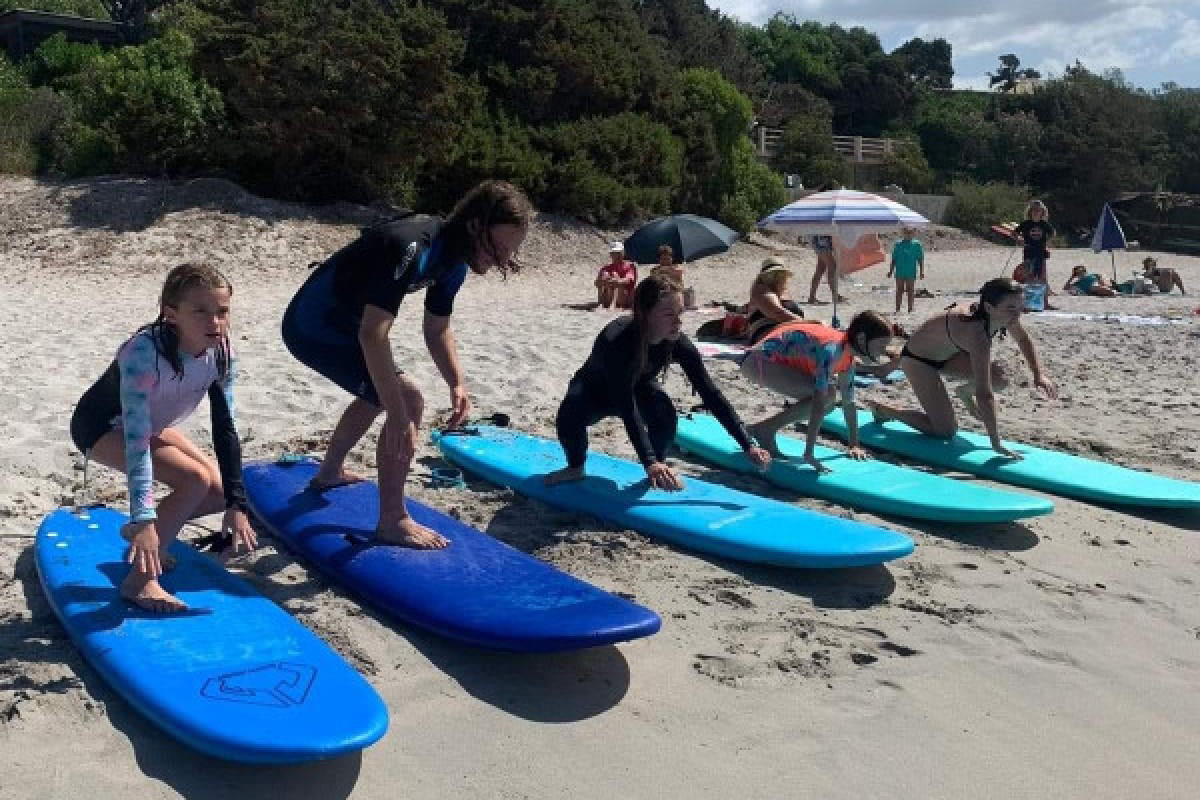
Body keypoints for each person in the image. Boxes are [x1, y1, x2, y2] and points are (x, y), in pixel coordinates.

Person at [282, 180, 531, 548]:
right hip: (313, 325)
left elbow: (437, 327)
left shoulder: (453, 264)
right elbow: (373, 335)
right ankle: (392, 520)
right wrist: (399, 415)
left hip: (346, 325)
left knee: (379, 391)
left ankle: (329, 472)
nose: (500, 261)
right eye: (499, 249)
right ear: (476, 225)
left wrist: (456, 382)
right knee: (407, 398)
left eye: (508, 254)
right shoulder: (411, 245)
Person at [70, 263, 256, 613]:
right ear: (171, 313)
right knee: (194, 480)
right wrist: (143, 516)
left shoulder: (222, 353)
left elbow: (225, 427)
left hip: (150, 425)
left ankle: (148, 538)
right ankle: (138, 582)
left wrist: (237, 505)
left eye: (222, 311)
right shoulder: (143, 354)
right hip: (104, 427)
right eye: (200, 311)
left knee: (217, 491)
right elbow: (137, 441)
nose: (214, 322)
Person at [544, 274, 771, 490]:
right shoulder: (617, 340)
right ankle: (575, 467)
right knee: (569, 414)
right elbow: (626, 404)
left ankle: (659, 469)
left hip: (639, 387)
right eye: (669, 314)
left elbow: (710, 394)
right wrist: (648, 460)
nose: (678, 322)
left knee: (665, 415)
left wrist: (747, 444)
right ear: (645, 314)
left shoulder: (677, 342)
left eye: (680, 313)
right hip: (595, 391)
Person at [866, 278, 1058, 460]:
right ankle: (886, 411)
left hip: (949, 356)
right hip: (918, 361)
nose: (1017, 314)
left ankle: (963, 393)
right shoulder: (977, 335)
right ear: (989, 307)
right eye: (1010, 308)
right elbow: (984, 393)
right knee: (945, 431)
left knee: (1002, 378)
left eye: (1020, 306)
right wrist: (996, 442)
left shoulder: (1004, 317)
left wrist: (1038, 374)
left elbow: (1023, 339)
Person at [740, 312, 896, 473]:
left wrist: (854, 444)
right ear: (862, 339)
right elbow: (817, 404)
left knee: (829, 403)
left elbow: (849, 402)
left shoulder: (847, 357)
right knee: (827, 396)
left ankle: (762, 429)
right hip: (757, 362)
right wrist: (809, 453)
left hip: (768, 363)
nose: (883, 352)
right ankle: (764, 430)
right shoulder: (833, 351)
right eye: (880, 346)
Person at [745, 256, 805, 343]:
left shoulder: (781, 291)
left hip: (784, 331)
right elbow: (777, 312)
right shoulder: (761, 289)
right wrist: (808, 324)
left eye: (780, 274)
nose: (777, 277)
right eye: (774, 274)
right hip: (769, 334)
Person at [1014, 200, 1054, 289]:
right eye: (1034, 210)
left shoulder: (1044, 224)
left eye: (1038, 210)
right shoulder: (1025, 224)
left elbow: (1052, 233)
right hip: (1028, 251)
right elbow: (1014, 233)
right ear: (1030, 211)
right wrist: (1019, 239)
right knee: (1029, 274)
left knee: (1042, 275)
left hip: (1041, 252)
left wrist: (1047, 243)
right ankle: (1030, 294)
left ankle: (1044, 298)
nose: (1036, 212)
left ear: (1042, 212)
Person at [888, 227, 925, 313]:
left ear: (913, 233)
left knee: (910, 290)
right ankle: (897, 309)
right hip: (900, 271)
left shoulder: (917, 245)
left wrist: (922, 271)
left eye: (910, 232)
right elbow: (894, 259)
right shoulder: (898, 244)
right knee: (899, 290)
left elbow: (920, 259)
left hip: (911, 271)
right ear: (903, 233)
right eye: (906, 232)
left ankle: (910, 308)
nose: (908, 234)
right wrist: (890, 271)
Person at [596, 242, 637, 309]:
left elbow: (628, 280)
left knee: (615, 277)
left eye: (618, 253)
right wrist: (604, 280)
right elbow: (598, 283)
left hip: (624, 297)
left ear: (623, 253)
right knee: (606, 276)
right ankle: (601, 303)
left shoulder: (630, 266)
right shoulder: (606, 268)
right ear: (610, 254)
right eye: (614, 253)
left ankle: (612, 304)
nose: (616, 256)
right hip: (609, 295)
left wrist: (616, 280)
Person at [806, 235, 846, 304]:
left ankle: (812, 297)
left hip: (819, 240)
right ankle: (835, 296)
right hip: (823, 240)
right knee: (832, 267)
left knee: (820, 269)